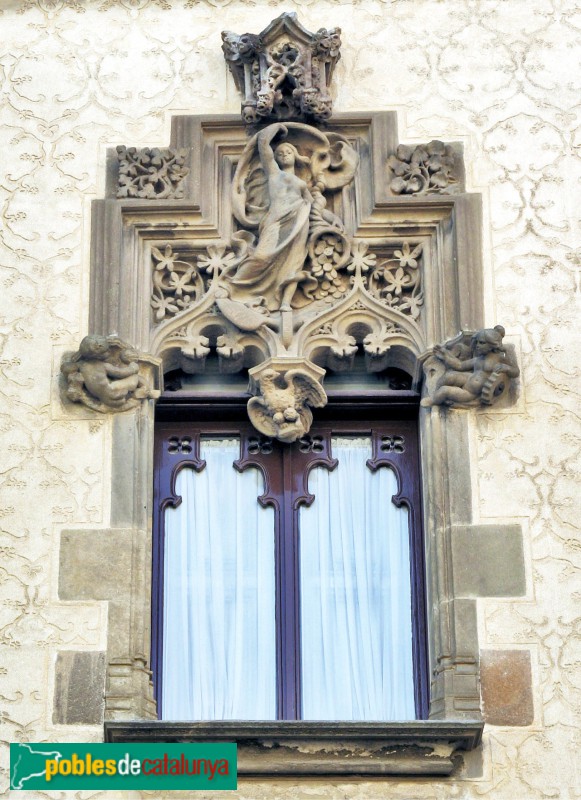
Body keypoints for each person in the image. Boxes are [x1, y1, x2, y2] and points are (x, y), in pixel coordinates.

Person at [229, 124, 317, 311]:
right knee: (261, 256)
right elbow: (264, 147)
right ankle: (236, 284)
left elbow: (313, 206)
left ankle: (285, 302)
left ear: (295, 156)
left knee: (294, 263)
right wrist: (275, 128)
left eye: (288, 152)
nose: (284, 155)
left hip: (298, 223)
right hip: (275, 222)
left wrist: (326, 216)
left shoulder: (301, 184)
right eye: (280, 153)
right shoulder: (274, 173)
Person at [421, 325, 519, 407]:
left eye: (482, 343)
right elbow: (460, 365)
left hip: (470, 393)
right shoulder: (479, 359)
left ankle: (434, 400)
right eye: (477, 342)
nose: (477, 345)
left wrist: (506, 368)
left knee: (445, 390)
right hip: (468, 379)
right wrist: (445, 356)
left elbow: (515, 372)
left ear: (492, 345)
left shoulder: (500, 359)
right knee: (449, 376)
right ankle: (436, 394)